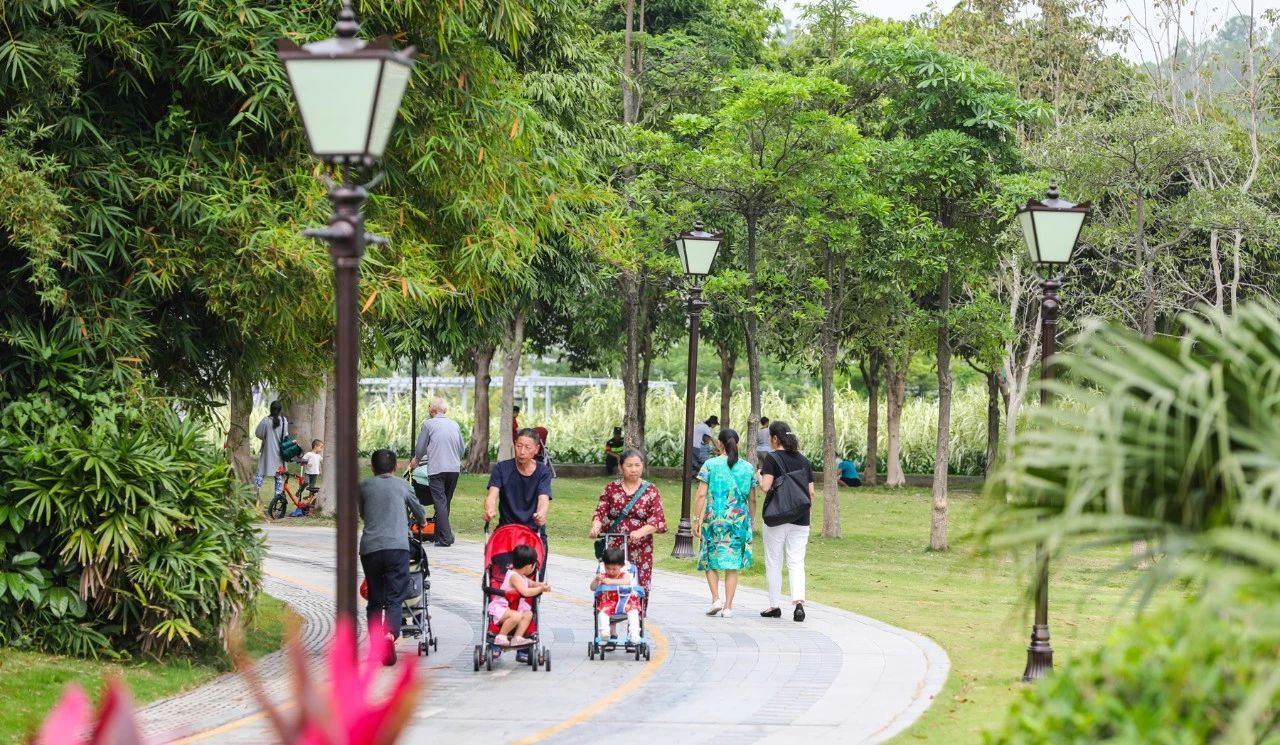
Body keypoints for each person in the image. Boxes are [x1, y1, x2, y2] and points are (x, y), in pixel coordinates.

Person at [359, 449, 426, 665]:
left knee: (375, 600)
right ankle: (389, 635)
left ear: (372, 467)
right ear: (396, 466)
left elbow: (362, 512)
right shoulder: (402, 485)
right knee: (395, 598)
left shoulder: (364, 487)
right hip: (398, 548)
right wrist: (422, 521)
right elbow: (419, 510)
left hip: (370, 549)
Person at [693, 428, 757, 618]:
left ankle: (716, 599)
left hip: (714, 518)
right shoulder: (747, 467)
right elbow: (752, 499)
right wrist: (751, 521)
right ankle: (728, 607)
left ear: (719, 443)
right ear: (736, 444)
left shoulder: (710, 465)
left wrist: (696, 519)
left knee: (709, 558)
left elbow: (701, 494)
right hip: (738, 520)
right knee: (733, 564)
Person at [758, 420, 815, 623]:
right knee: (796, 561)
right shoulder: (804, 460)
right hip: (801, 518)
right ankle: (798, 602)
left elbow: (765, 487)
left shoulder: (772, 459)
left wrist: (759, 475)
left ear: (775, 438)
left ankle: (774, 606)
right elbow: (811, 493)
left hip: (777, 517)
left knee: (774, 561)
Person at [589, 448, 667, 593]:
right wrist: (595, 527)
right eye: (629, 465)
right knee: (610, 577)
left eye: (637, 465)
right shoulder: (611, 488)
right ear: (621, 467)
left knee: (640, 581)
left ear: (643, 466)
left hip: (641, 545)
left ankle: (638, 614)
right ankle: (607, 608)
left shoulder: (651, 490)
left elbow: (657, 520)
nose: (634, 469)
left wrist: (640, 532)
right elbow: (600, 512)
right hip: (614, 544)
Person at [485, 428, 553, 546]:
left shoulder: (543, 472)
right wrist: (489, 510)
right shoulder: (501, 468)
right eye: (519, 446)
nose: (522, 451)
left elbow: (544, 499)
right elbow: (492, 495)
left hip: (533, 532)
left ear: (536, 449)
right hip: (506, 531)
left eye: (527, 447)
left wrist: (541, 513)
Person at [410, 397, 464, 547]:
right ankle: (439, 535)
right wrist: (453, 458)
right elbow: (462, 448)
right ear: (444, 410)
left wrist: (416, 460)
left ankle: (446, 538)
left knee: (439, 502)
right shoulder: (454, 424)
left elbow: (420, 448)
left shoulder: (428, 424)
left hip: (437, 469)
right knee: (445, 501)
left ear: (431, 410)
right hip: (454, 469)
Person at [487, 543, 550, 652]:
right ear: (529, 566)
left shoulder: (522, 576)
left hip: (514, 608)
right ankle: (501, 636)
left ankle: (517, 637)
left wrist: (541, 585)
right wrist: (540, 590)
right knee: (516, 616)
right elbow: (525, 592)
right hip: (502, 609)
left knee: (528, 614)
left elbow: (532, 584)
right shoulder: (513, 576)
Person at [591, 547, 641, 645]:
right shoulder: (603, 575)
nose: (611, 571)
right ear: (604, 565)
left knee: (634, 612)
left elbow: (627, 581)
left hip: (625, 601)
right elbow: (592, 588)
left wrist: (611, 582)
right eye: (608, 568)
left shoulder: (624, 574)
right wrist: (596, 580)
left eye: (614, 569)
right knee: (602, 613)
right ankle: (605, 631)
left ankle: (634, 633)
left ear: (621, 566)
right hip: (609, 602)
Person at [254, 400, 290, 498]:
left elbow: (258, 433)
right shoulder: (284, 421)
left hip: (267, 453)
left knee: (260, 473)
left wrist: (266, 437)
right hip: (279, 454)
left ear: (271, 409)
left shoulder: (266, 420)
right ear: (280, 410)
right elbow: (285, 436)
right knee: (278, 477)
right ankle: (276, 500)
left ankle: (253, 496)